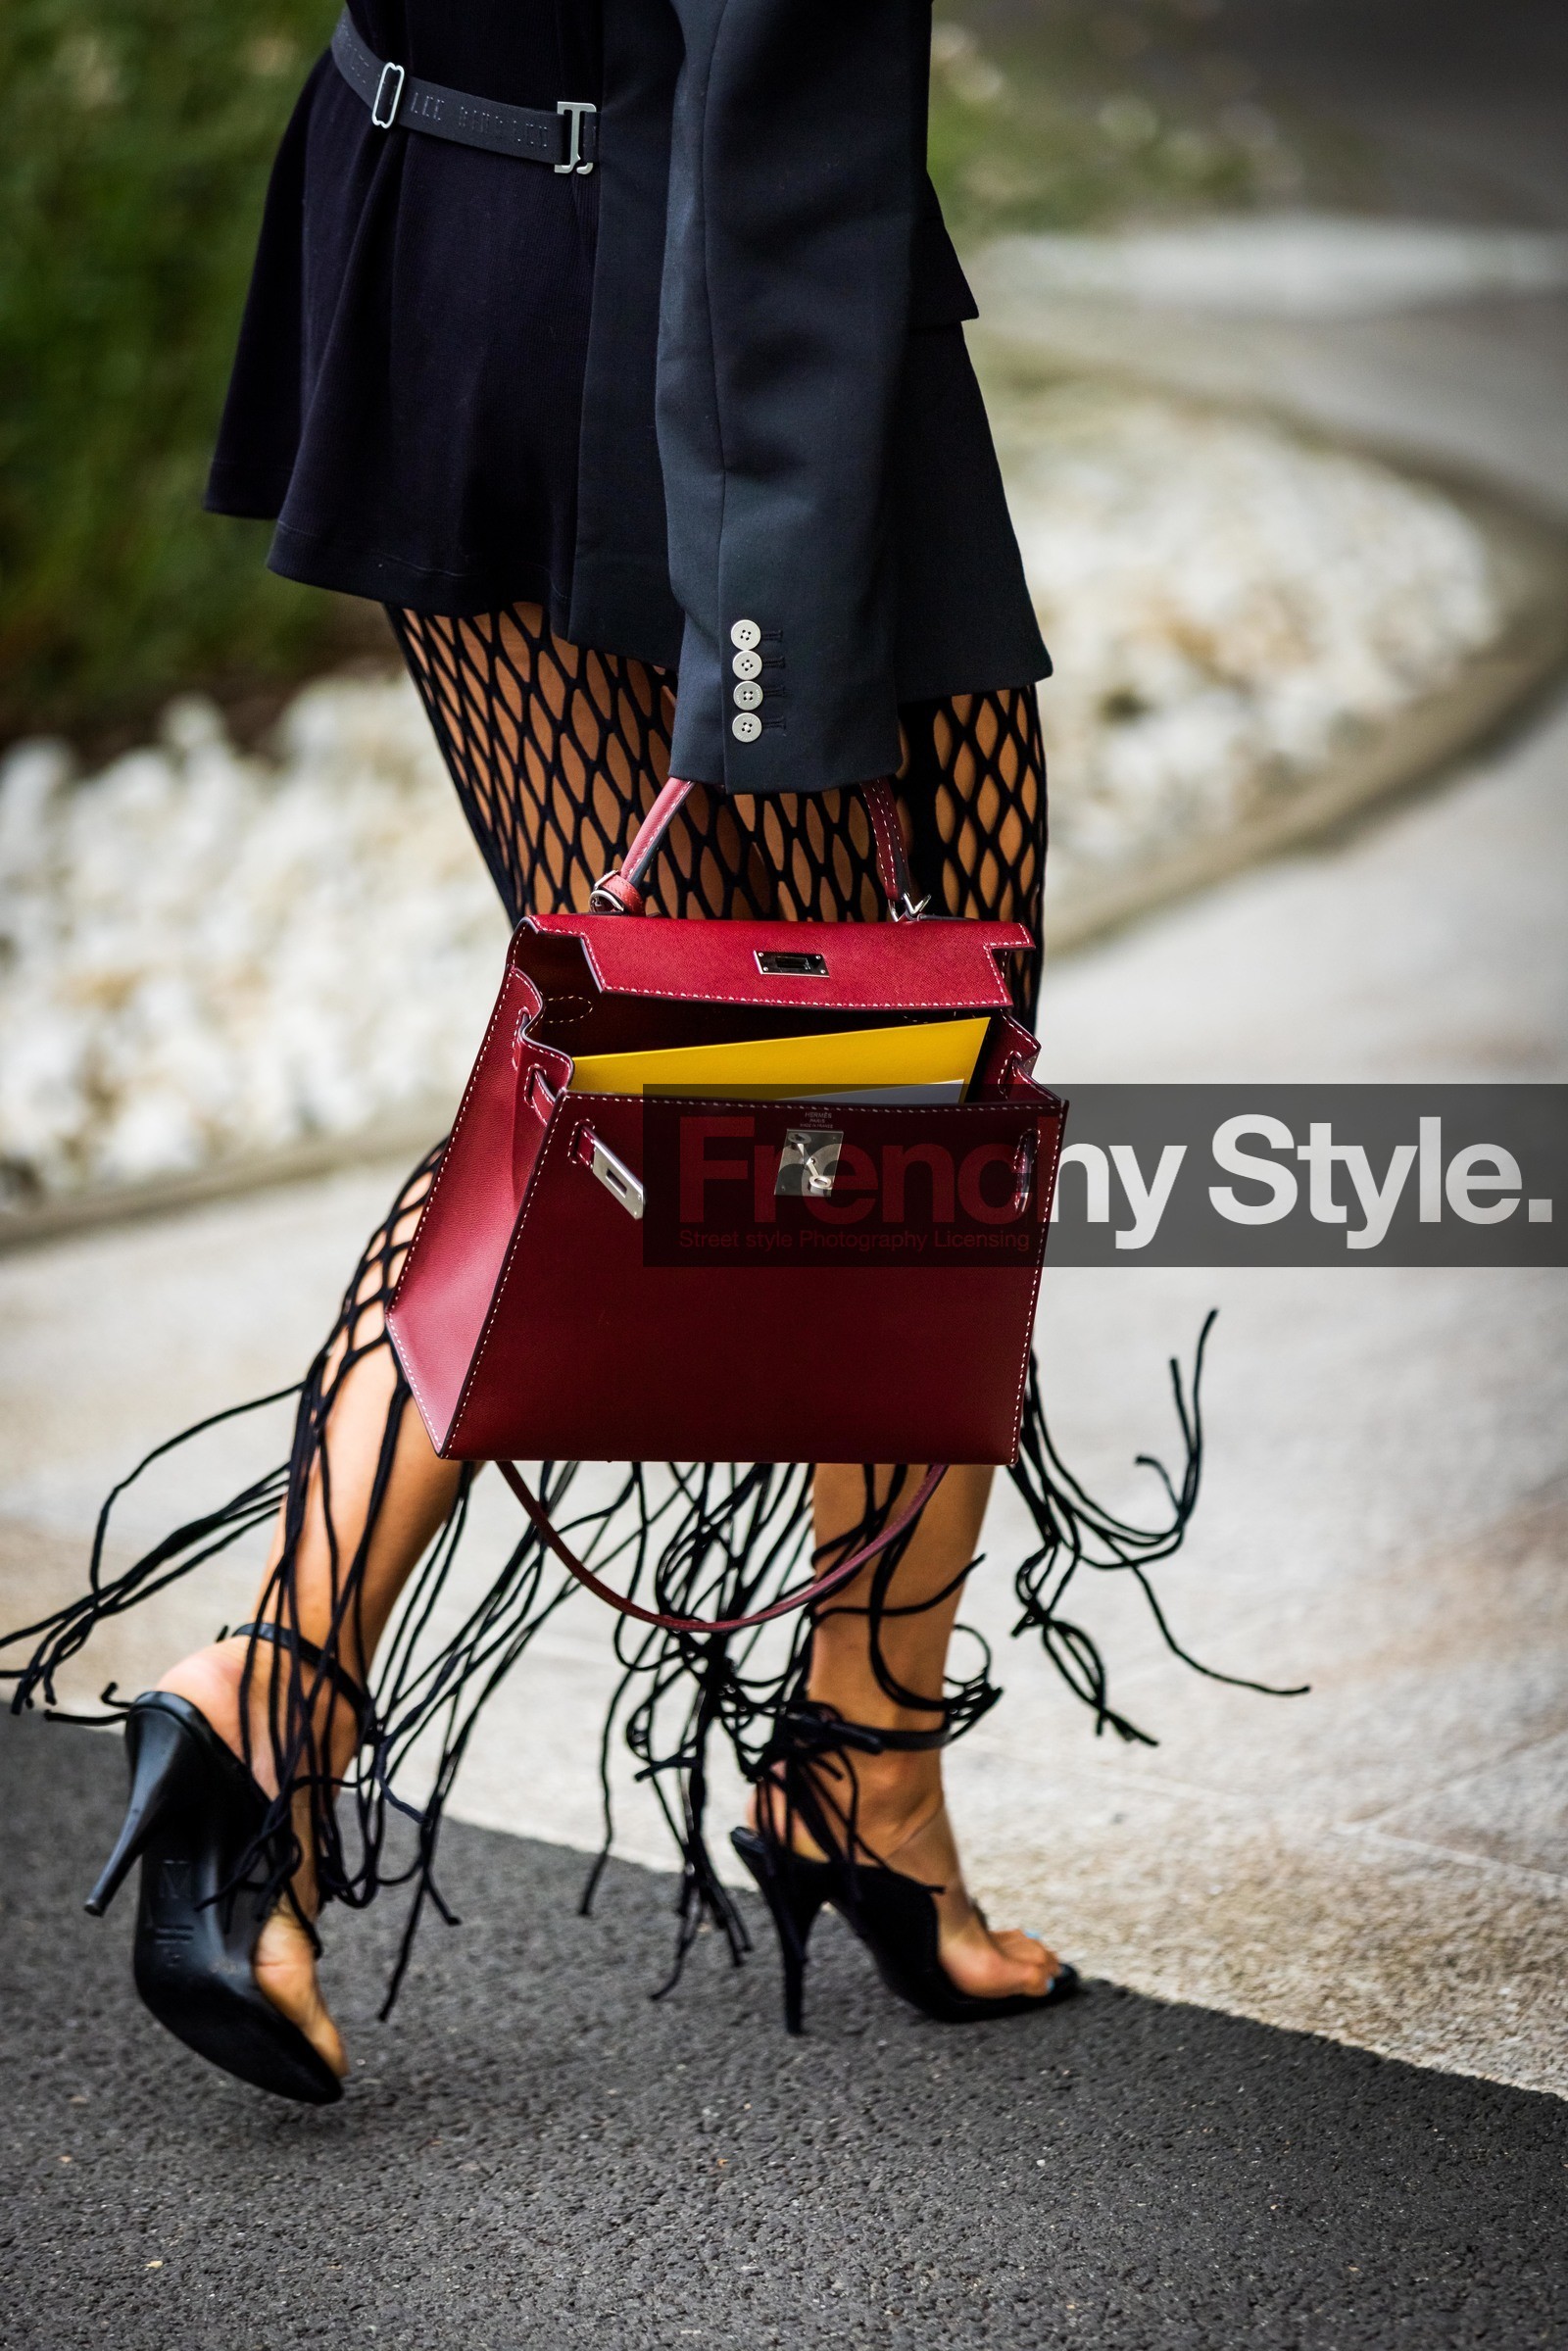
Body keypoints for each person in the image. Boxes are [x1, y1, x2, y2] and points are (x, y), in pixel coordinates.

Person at [4, 0, 1215, 2105]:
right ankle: (317, 1695)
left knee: (695, 1056)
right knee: (871, 1047)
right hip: (703, 302)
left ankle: (810, 1752)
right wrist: (763, 649)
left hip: (447, 196)